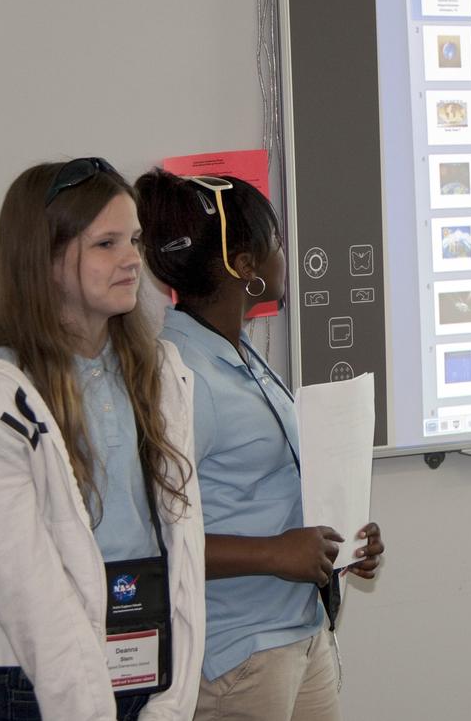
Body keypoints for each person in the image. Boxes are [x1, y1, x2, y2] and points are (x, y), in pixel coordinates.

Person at [0, 159, 206, 721]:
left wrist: (174, 699)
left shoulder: (159, 374)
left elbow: (184, 546)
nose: (134, 259)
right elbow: (27, 591)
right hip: (44, 685)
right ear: (45, 259)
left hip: (148, 672)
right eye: (106, 243)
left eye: (134, 239)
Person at [134, 168, 384, 721]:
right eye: (275, 243)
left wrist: (338, 540)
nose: (283, 254)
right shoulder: (179, 375)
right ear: (243, 266)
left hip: (300, 631)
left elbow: (262, 490)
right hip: (240, 655)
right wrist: (275, 554)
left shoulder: (238, 350)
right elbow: (152, 539)